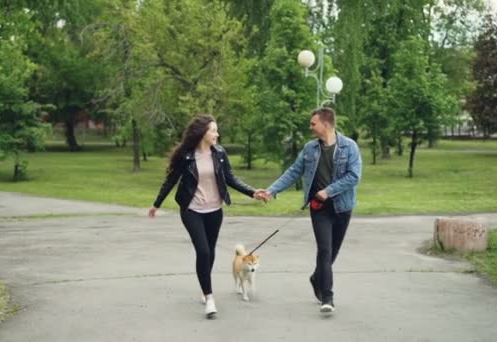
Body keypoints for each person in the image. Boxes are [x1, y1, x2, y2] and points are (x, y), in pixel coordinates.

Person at [149, 114, 264, 318]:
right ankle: (209, 297)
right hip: (192, 210)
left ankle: (204, 283)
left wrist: (253, 192)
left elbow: (230, 178)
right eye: (213, 130)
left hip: (214, 211)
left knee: (210, 252)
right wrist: (156, 204)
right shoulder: (186, 156)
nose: (217, 134)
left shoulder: (219, 153)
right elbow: (171, 180)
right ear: (203, 132)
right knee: (202, 251)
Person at [259, 107, 361, 314]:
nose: (310, 127)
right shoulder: (310, 149)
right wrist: (272, 190)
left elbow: (354, 176)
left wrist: (329, 191)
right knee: (324, 249)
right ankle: (328, 296)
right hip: (319, 208)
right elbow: (293, 172)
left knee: (333, 251)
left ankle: (317, 277)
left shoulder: (349, 147)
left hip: (342, 207)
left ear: (326, 124)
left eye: (313, 124)